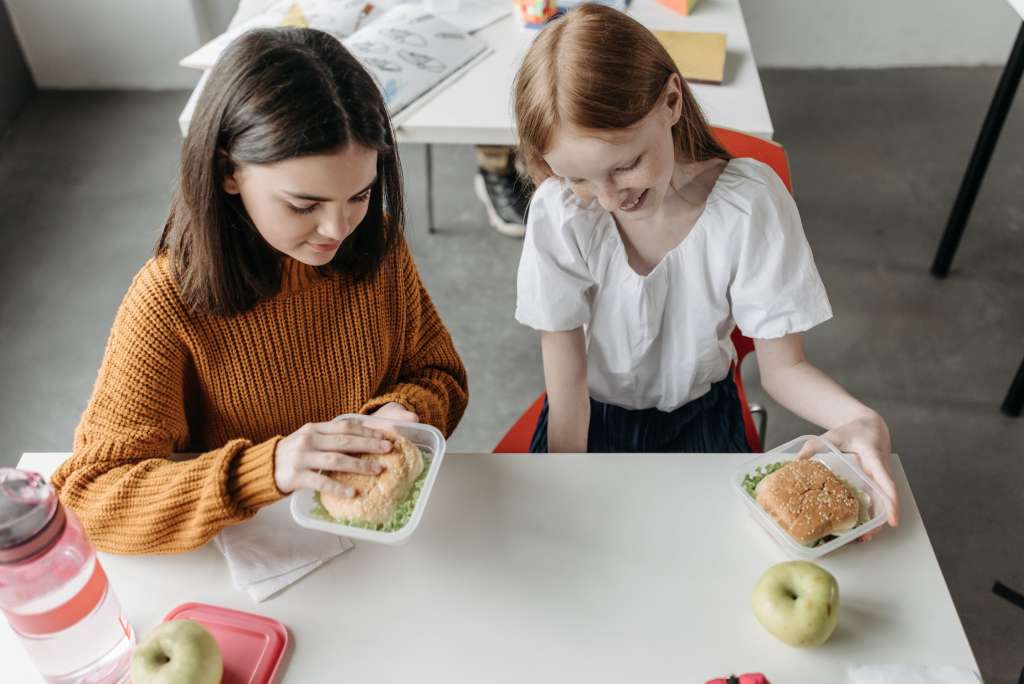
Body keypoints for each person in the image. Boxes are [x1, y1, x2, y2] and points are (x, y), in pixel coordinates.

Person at [51, 27, 469, 554]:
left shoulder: (375, 242)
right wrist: (268, 468)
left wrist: (403, 412)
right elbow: (89, 497)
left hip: (373, 552)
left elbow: (440, 375)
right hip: (250, 558)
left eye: (359, 195)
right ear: (228, 172)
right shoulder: (167, 300)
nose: (338, 230)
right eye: (303, 205)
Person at [512, 4, 899, 531]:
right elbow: (568, 384)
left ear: (671, 101)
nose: (607, 199)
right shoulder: (561, 212)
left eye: (625, 165)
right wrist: (567, 489)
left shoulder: (747, 204)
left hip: (702, 417)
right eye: (579, 178)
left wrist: (860, 419)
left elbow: (783, 369)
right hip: (588, 420)